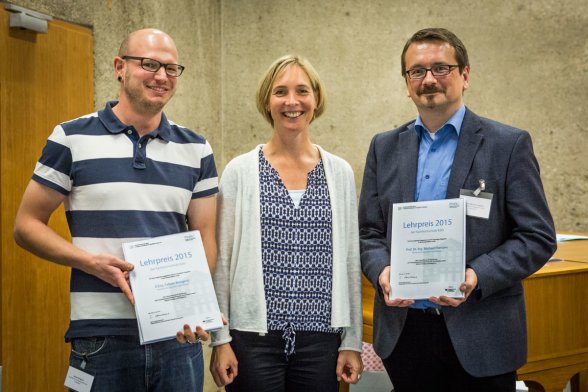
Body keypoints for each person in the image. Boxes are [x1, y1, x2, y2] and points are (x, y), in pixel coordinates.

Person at [13, 28, 218, 391]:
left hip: (177, 337)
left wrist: (196, 307)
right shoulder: (70, 138)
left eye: (171, 69)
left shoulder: (197, 149)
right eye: (150, 64)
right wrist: (88, 262)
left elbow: (205, 238)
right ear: (120, 67)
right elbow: (26, 225)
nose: (161, 77)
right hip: (101, 338)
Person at [358, 28, 556, 392]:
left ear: (465, 75)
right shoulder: (384, 147)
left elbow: (537, 236)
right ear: (406, 83)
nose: (428, 79)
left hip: (482, 333)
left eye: (441, 68)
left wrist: (475, 275)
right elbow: (368, 233)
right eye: (416, 71)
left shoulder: (507, 145)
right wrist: (383, 271)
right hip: (407, 336)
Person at [207, 54, 363, 391]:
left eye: (302, 91)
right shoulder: (240, 171)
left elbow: (351, 260)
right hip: (252, 339)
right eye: (280, 92)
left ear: (316, 99)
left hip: (321, 340)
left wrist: (352, 341)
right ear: (267, 101)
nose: (292, 102)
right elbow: (222, 261)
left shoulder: (340, 173)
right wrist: (220, 339)